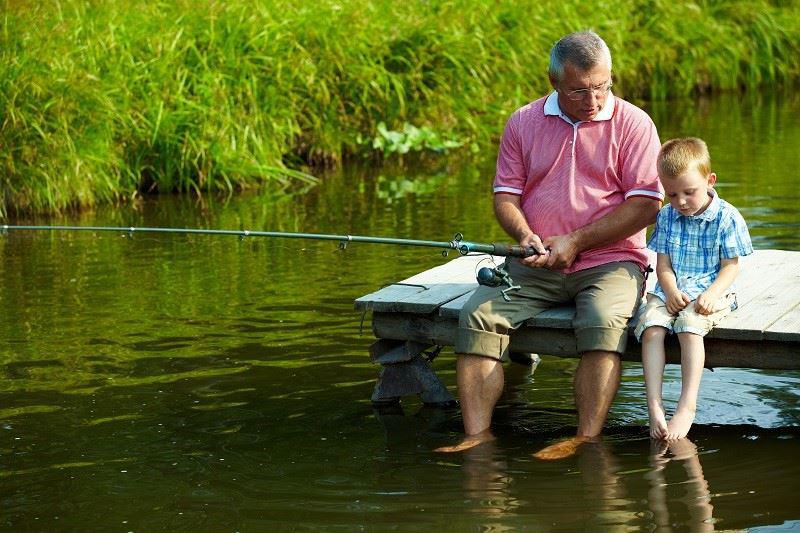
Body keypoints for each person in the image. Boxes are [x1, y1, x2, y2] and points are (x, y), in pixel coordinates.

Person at [437, 31, 664, 457]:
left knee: (601, 322)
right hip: (533, 260)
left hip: (612, 260)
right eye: (580, 90)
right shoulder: (523, 121)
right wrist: (524, 236)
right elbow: (505, 195)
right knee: (477, 316)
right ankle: (477, 436)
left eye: (602, 87)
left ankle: (584, 437)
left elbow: (646, 205)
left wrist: (577, 241)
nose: (593, 100)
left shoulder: (634, 123)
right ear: (554, 81)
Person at [635, 138, 753, 441]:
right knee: (651, 329)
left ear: (709, 180)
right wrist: (671, 290)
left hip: (710, 290)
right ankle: (655, 406)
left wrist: (712, 295)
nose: (681, 201)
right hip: (669, 289)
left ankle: (687, 405)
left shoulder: (727, 217)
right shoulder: (667, 215)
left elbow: (731, 266)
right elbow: (662, 265)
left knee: (689, 326)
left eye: (689, 192)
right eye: (672, 194)